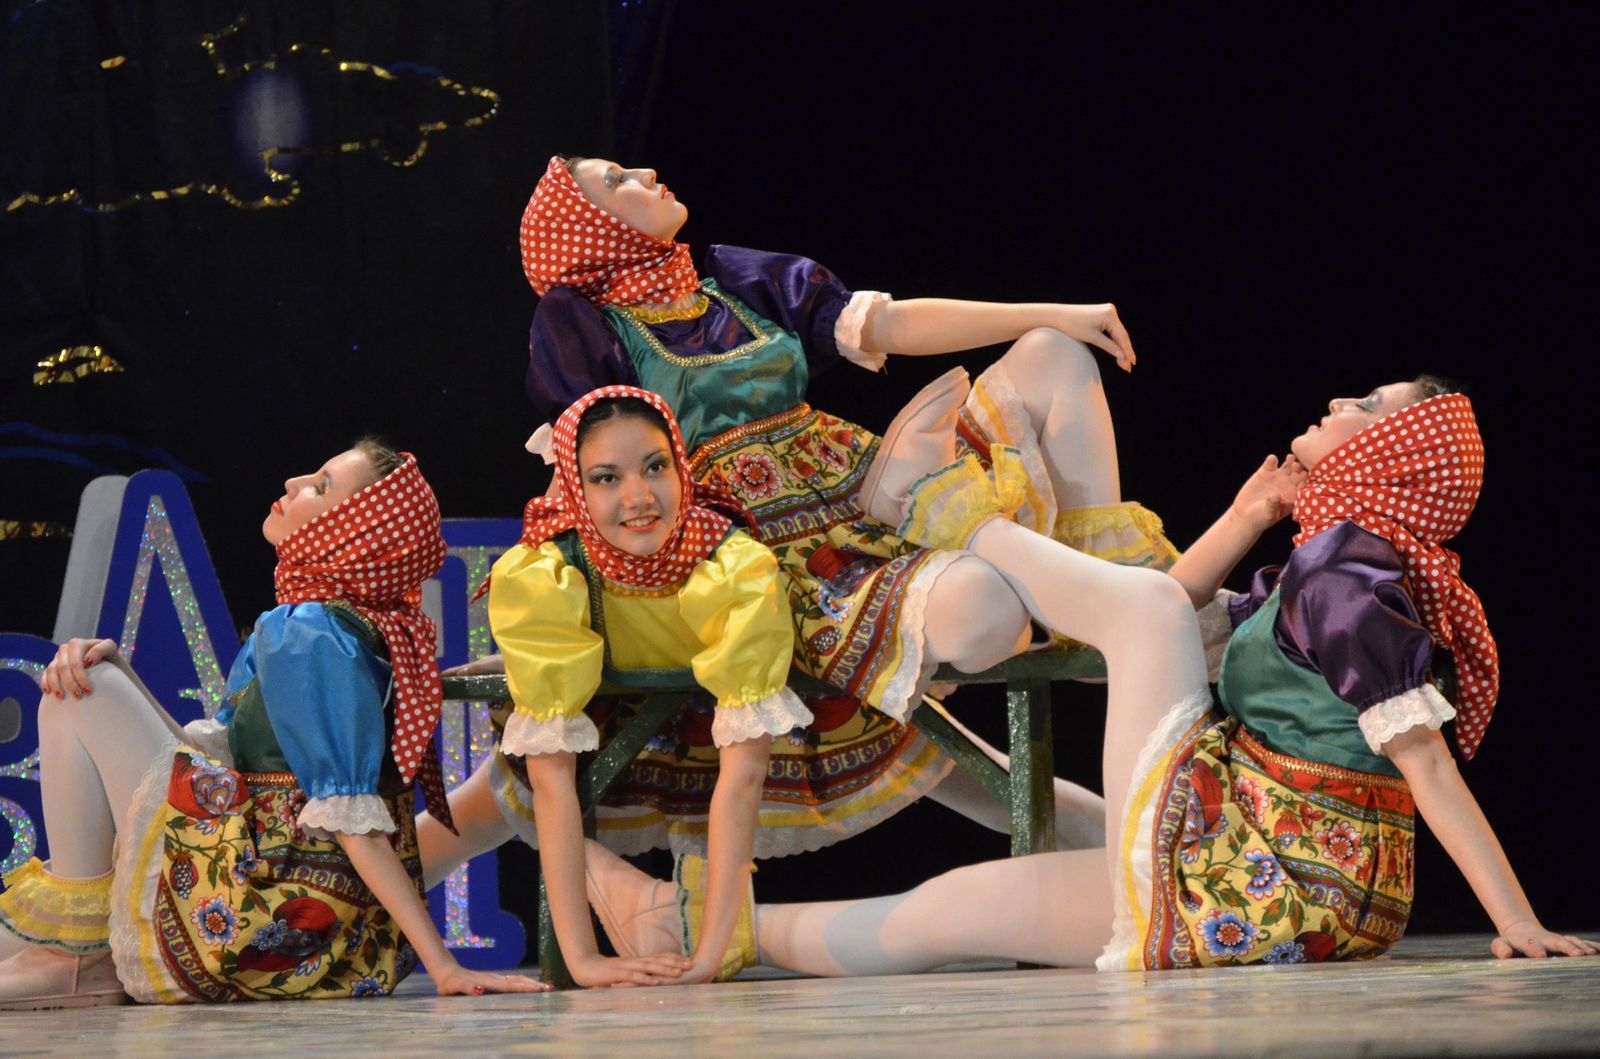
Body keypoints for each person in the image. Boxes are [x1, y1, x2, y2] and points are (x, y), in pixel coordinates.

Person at [584, 380, 1599, 972]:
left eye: (1363, 406)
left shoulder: (1349, 574)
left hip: (1278, 883)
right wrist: (1247, 515)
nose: (1337, 403)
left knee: (1136, 619)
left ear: (1385, 454)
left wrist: (1514, 922)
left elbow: (1426, 766)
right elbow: (1184, 611)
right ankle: (686, 918)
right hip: (1244, 856)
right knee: (954, 895)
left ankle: (939, 509)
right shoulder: (1329, 562)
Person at [472, 153, 1190, 854]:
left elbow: (890, 325)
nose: (646, 175)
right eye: (616, 181)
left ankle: (1105, 598)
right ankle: (1144, 794)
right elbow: (584, 475)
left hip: (863, 488)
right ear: (588, 227)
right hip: (778, 557)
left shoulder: (730, 279)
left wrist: (1056, 312)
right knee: (987, 619)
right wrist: (556, 606)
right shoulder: (585, 326)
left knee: (1053, 352)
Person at [0, 442, 550, 1008]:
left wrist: (444, 966)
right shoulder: (343, 623)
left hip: (266, 909)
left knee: (80, 689)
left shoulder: (310, 629)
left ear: (354, 532)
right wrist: (124, 674)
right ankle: (73, 949)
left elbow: (353, 822)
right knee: (88, 679)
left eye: (321, 486)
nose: (292, 483)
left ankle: (76, 960)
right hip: (310, 913)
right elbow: (209, 757)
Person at [482, 386, 813, 987]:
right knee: (495, 796)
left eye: (656, 467)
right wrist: (584, 963)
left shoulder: (734, 567)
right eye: (606, 478)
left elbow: (745, 776)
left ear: (681, 465)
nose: (638, 497)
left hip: (712, 724)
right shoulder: (545, 576)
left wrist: (710, 957)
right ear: (576, 490)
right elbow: (552, 780)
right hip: (611, 725)